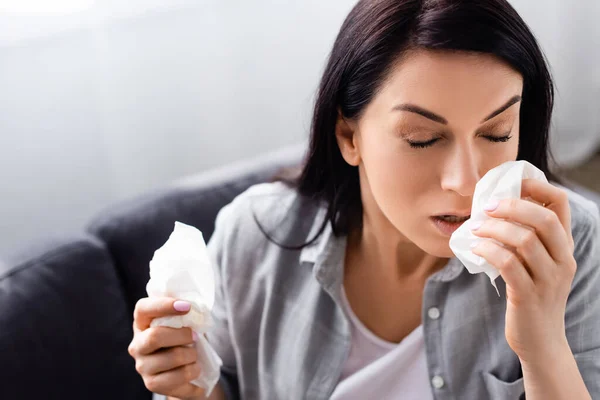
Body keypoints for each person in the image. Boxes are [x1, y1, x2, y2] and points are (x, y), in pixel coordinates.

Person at [128, 0, 600, 399]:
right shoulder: (254, 239)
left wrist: (542, 345)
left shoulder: (571, 245)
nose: (466, 180)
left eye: (496, 133)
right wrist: (193, 386)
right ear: (348, 136)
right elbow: (223, 384)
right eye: (422, 139)